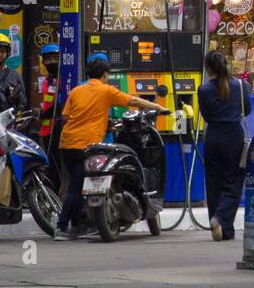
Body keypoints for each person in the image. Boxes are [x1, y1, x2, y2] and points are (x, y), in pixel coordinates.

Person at [54, 52, 168, 240]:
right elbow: (134, 101)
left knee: (77, 184)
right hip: (88, 145)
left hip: (67, 144)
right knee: (78, 186)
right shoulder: (106, 90)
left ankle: (75, 225)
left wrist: (99, 121)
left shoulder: (76, 91)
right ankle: (62, 227)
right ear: (105, 75)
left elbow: (66, 117)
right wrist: (159, 108)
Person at [198, 49, 254, 242]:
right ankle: (220, 219)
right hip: (233, 136)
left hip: (212, 136)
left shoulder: (203, 90)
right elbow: (247, 110)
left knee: (214, 182)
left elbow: (205, 115)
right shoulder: (240, 85)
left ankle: (225, 229)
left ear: (208, 69)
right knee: (233, 182)